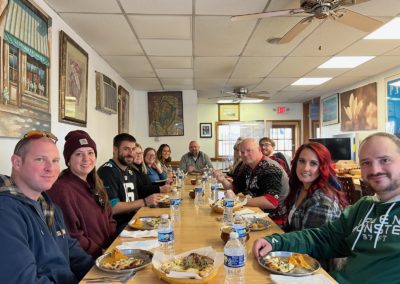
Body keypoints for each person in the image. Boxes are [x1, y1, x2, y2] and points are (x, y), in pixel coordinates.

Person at [253, 132, 400, 283]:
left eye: (385, 160)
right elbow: (324, 237)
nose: (375, 170)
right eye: (366, 162)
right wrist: (275, 241)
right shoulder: (364, 206)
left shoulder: (322, 199)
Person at [0, 131, 93, 283]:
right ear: (17, 162)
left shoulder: (49, 206)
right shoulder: (5, 212)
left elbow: (72, 252)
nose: (50, 168)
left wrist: (108, 273)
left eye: (55, 160)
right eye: (40, 159)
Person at [48, 130, 117, 258]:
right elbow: (72, 235)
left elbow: (110, 218)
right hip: (87, 261)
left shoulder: (96, 182)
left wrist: (115, 244)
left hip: (108, 253)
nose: (86, 159)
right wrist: (100, 253)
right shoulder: (61, 190)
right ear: (68, 160)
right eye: (79, 154)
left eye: (90, 153)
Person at [284, 142, 348, 270]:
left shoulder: (321, 201)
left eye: (313, 163)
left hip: (316, 269)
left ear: (322, 168)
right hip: (297, 256)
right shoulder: (300, 188)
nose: (305, 168)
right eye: (302, 161)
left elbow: (311, 247)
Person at [215, 138, 289, 225]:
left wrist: (239, 201)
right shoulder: (247, 166)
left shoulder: (270, 168)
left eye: (249, 150)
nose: (245, 155)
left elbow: (271, 202)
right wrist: (222, 180)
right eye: (242, 152)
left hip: (274, 220)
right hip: (256, 213)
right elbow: (235, 188)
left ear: (259, 150)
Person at [98, 133, 163, 233]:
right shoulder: (107, 171)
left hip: (135, 222)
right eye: (126, 149)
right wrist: (145, 202)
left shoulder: (131, 172)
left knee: (167, 224)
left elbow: (135, 201)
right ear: (115, 150)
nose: (131, 153)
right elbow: (113, 208)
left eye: (133, 149)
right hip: (118, 228)